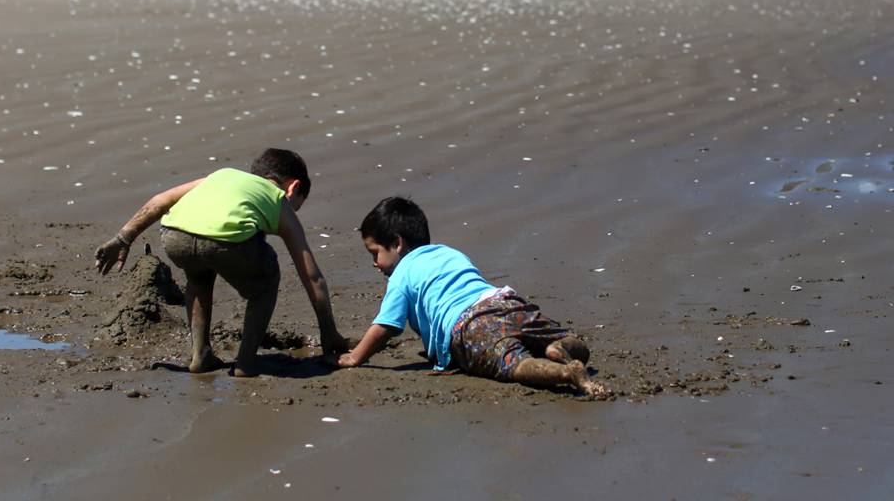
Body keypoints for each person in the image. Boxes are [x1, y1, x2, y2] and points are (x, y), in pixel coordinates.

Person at [95, 148, 346, 377]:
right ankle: (246, 362)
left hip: (175, 235)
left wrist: (123, 238)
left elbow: (160, 200)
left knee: (198, 276)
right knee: (266, 282)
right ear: (293, 187)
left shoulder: (221, 175)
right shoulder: (278, 198)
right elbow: (312, 276)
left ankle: (200, 355)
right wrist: (328, 333)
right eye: (297, 205)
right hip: (227, 241)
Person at [336, 197, 609, 399]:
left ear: (397, 244)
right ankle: (558, 346)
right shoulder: (450, 253)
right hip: (506, 301)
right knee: (562, 339)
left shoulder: (401, 274)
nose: (375, 263)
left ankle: (565, 373)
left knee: (513, 363)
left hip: (469, 324)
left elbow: (386, 325)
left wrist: (354, 358)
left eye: (375, 253)